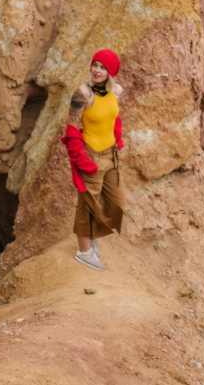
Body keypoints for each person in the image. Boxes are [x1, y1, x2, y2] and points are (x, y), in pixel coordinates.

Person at [61, 49, 126, 271]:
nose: (97, 70)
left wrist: (118, 139)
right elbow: (70, 127)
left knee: (116, 202)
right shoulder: (82, 94)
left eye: (102, 67)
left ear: (111, 72)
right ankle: (84, 251)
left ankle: (91, 236)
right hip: (91, 155)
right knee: (88, 202)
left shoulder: (116, 91)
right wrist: (80, 158)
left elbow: (114, 117)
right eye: (95, 65)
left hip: (110, 154)